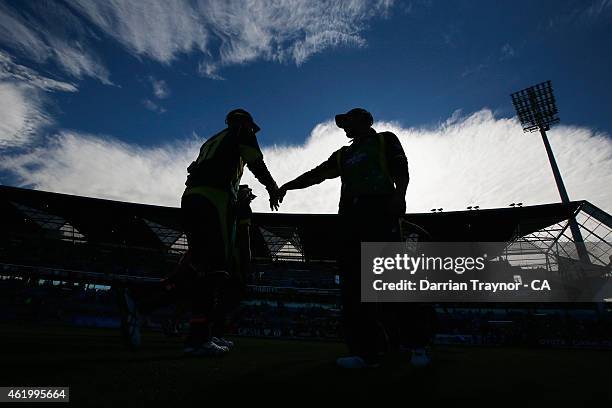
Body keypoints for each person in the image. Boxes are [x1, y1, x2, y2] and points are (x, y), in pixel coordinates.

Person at [119, 109, 281, 356]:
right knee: (215, 270)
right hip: (213, 200)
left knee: (199, 268)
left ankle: (142, 302)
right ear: (245, 123)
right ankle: (197, 339)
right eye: (251, 126)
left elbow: (190, 173)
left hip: (191, 198)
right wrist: (272, 187)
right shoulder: (241, 132)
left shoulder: (211, 141)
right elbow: (256, 162)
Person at [277, 108, 429, 368]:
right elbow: (317, 174)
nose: (345, 126)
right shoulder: (342, 154)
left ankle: (416, 345)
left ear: (365, 121)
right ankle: (364, 352)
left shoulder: (385, 139)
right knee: (354, 286)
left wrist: (400, 195)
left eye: (349, 121)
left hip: (379, 210)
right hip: (349, 218)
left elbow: (400, 167)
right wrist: (288, 185)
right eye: (343, 122)